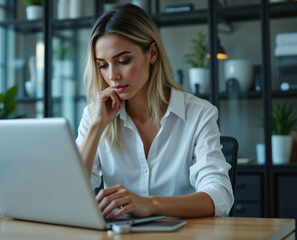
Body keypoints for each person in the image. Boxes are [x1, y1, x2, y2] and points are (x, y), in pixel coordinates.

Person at [76, 3, 233, 220]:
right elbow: (72, 195)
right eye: (103, 65)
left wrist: (149, 204)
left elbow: (219, 197)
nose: (112, 75)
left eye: (123, 61)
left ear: (152, 53)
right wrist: (96, 127)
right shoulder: (95, 115)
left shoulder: (198, 114)